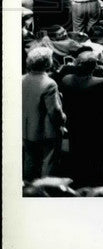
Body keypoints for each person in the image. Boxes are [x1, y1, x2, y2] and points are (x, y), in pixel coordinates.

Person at [58, 52, 103, 187]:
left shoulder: (66, 79)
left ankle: (78, 181)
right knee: (97, 157)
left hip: (75, 124)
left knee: (78, 153)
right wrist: (102, 75)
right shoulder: (99, 82)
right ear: (94, 66)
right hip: (97, 126)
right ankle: (95, 183)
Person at [22, 45, 65, 182]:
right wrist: (63, 120)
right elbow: (54, 111)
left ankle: (28, 189)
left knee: (29, 162)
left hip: (26, 129)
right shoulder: (49, 83)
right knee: (48, 162)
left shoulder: (21, 79)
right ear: (47, 63)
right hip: (47, 132)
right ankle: (45, 191)